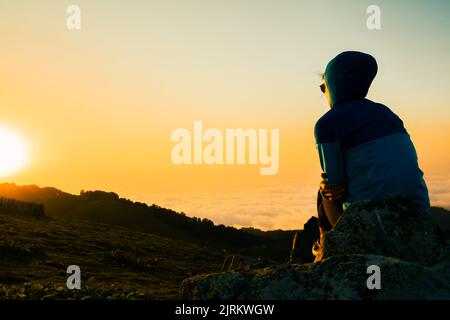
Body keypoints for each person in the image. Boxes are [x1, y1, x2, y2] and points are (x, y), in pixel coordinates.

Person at [314, 51, 430, 239]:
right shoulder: (388, 114)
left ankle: (332, 248)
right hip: (419, 216)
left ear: (334, 84)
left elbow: (334, 186)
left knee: (322, 193)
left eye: (323, 87)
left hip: (371, 227)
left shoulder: (327, 124)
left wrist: (327, 186)